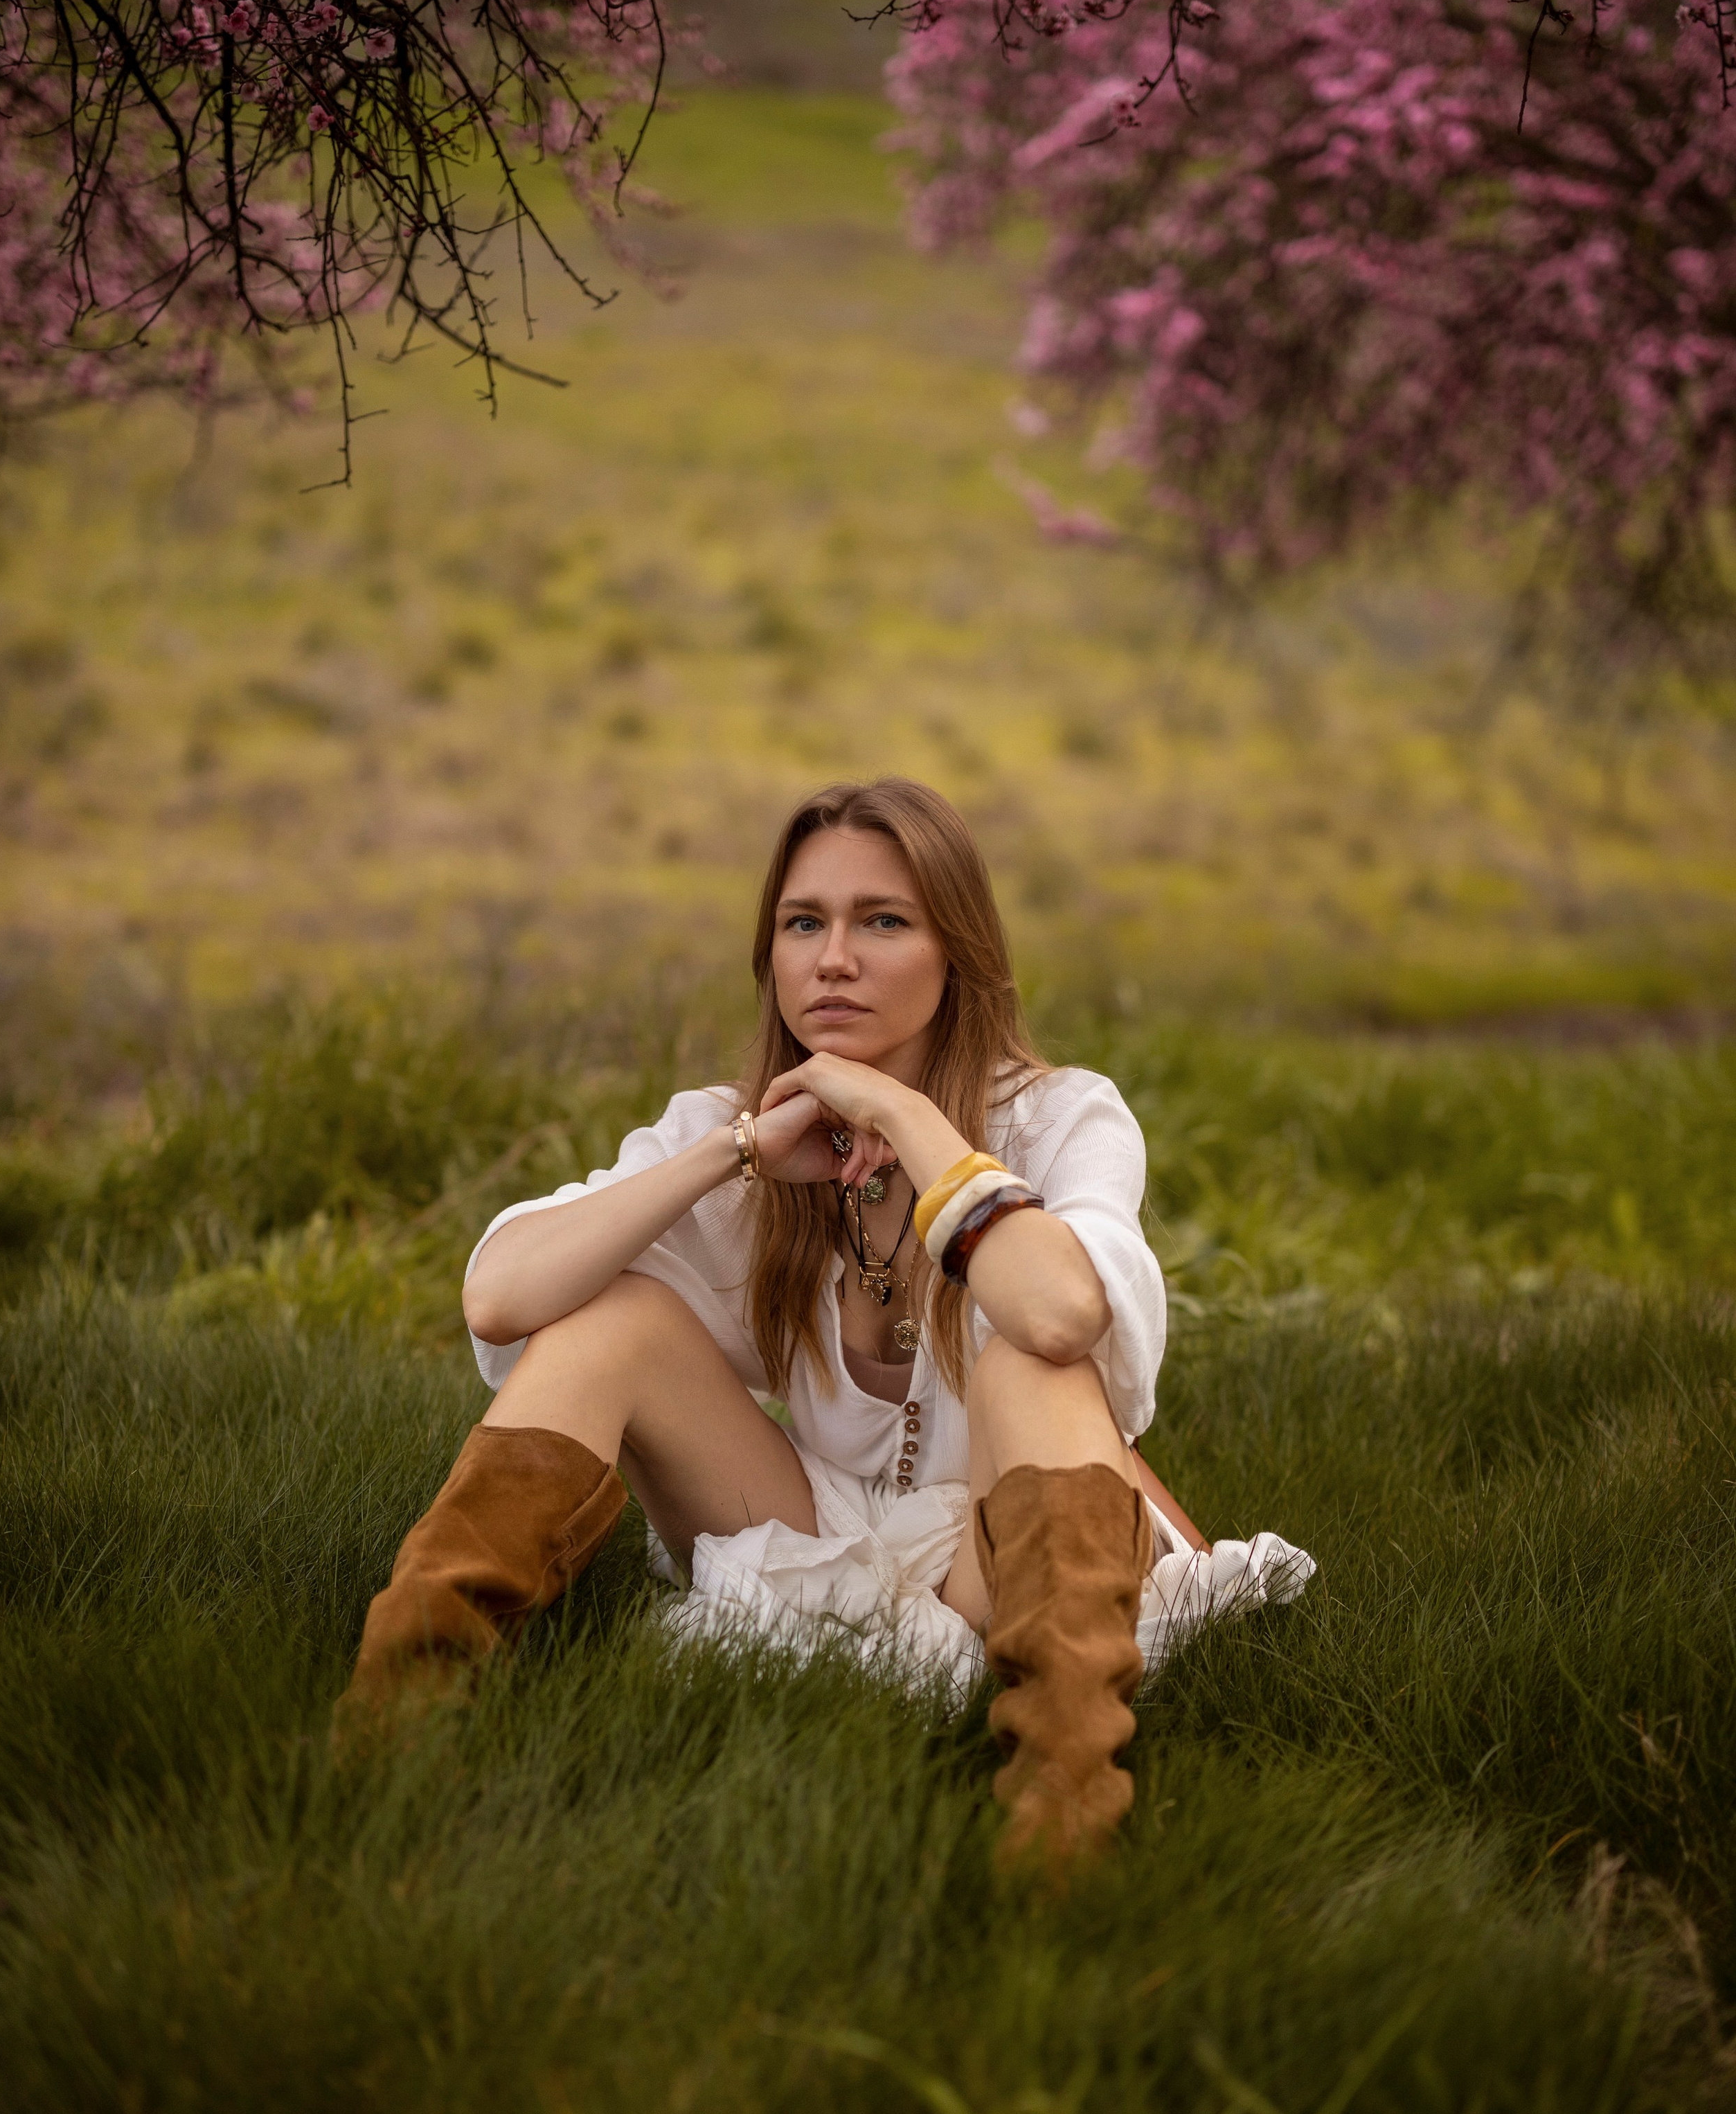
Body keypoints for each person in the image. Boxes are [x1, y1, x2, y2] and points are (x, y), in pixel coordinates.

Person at [339, 778, 1308, 1872]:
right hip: (827, 1528)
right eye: (805, 923)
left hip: (1012, 1542)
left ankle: (1061, 1830)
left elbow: (1061, 1307)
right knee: (610, 1320)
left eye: (882, 922)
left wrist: (904, 1112)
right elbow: (500, 1294)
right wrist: (740, 1149)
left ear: (959, 954)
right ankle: (394, 1742)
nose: (832, 958)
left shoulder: (1062, 1115)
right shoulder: (738, 1132)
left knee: (1031, 1361)